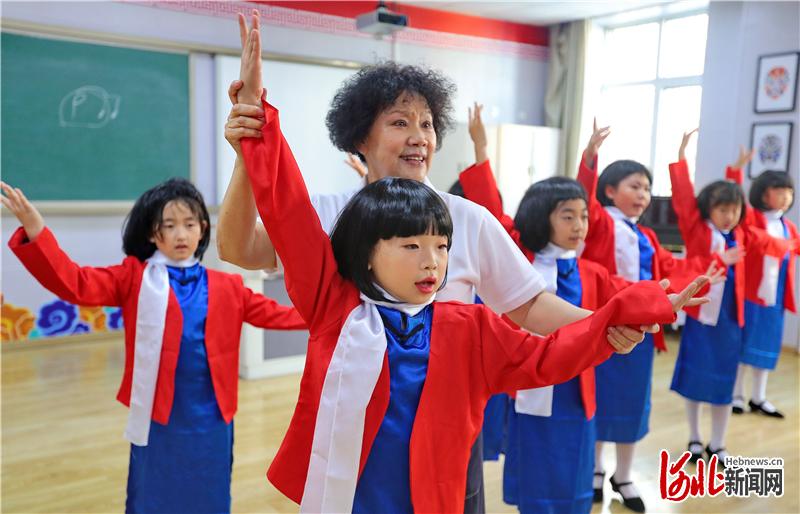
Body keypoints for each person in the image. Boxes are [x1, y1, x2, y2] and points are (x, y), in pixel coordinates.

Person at [218, 11, 662, 512]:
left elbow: (530, 306)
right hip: (349, 418)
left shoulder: (467, 219)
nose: (419, 137)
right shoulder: (329, 214)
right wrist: (246, 150)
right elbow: (239, 247)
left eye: (427, 124)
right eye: (400, 122)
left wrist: (606, 323)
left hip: (447, 425)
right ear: (360, 138)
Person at [2, 178, 305, 514]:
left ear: (203, 230)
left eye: (189, 225)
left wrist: (334, 310)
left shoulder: (227, 285)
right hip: (160, 413)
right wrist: (36, 233)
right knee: (154, 491)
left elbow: (280, 316)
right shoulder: (134, 278)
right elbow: (75, 282)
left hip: (213, 416)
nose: (180, 235)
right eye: (169, 226)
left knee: (210, 489)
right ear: (151, 233)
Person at [576, 122, 739, 513]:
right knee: (599, 401)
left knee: (632, 404)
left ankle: (625, 474)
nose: (643, 195)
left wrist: (712, 267)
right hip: (601, 331)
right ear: (611, 191)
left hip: (641, 335)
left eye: (647, 188)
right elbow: (582, 198)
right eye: (634, 186)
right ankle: (597, 471)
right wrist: (589, 158)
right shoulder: (598, 224)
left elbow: (672, 271)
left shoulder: (647, 238)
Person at [666, 130, 786, 465]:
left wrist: (736, 170)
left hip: (732, 320)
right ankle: (694, 438)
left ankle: (718, 443)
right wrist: (680, 156)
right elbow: (682, 196)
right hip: (701, 320)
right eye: (722, 209)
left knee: (724, 383)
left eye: (734, 210)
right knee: (695, 380)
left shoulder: (742, 233)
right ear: (708, 209)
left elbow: (742, 207)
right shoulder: (697, 229)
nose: (730, 216)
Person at [726, 155, 799, 419]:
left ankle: (759, 397)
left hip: (775, 298)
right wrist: (735, 171)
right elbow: (737, 204)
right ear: (763, 194)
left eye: (789, 192)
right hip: (751, 294)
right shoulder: (753, 219)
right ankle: (736, 394)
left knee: (768, 347)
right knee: (742, 346)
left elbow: (795, 247)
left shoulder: (787, 226)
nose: (786, 197)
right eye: (779, 191)